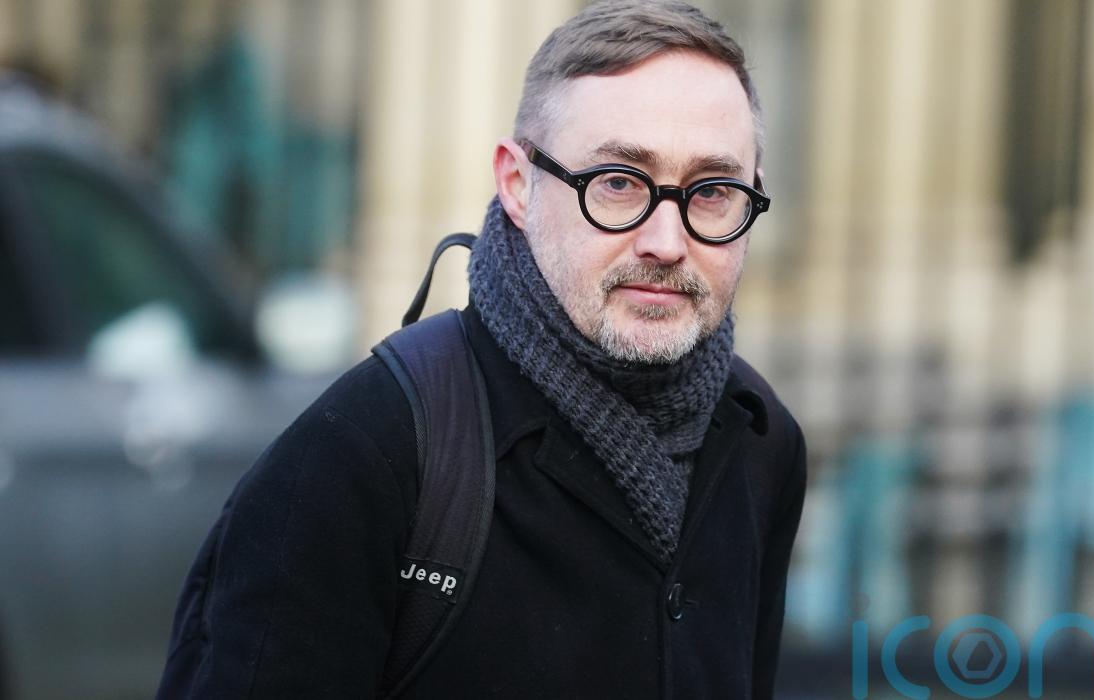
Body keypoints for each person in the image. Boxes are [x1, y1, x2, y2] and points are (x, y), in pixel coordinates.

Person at [157, 1, 807, 697]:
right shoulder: (366, 452)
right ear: (517, 184)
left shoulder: (761, 442)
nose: (667, 242)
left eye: (711, 191)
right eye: (618, 183)